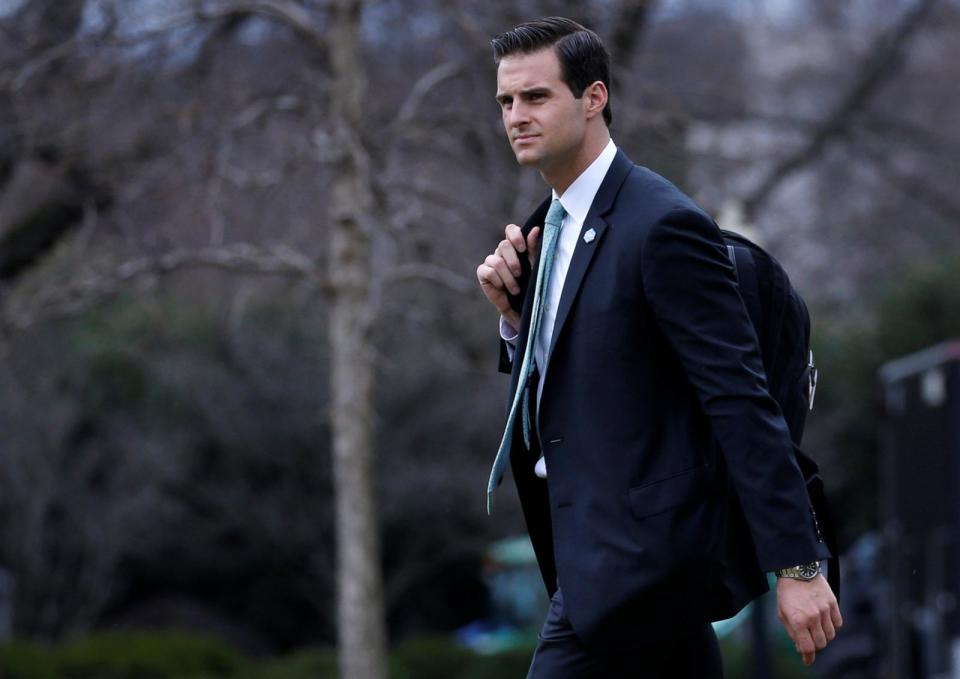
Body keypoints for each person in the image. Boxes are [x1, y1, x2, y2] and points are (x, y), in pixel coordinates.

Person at [475, 17, 842, 678]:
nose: (516, 116)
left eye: (536, 97)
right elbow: (581, 383)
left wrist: (797, 563)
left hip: (639, 565)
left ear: (593, 98)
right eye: (506, 101)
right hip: (598, 562)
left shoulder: (663, 226)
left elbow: (739, 399)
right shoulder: (545, 231)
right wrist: (513, 322)